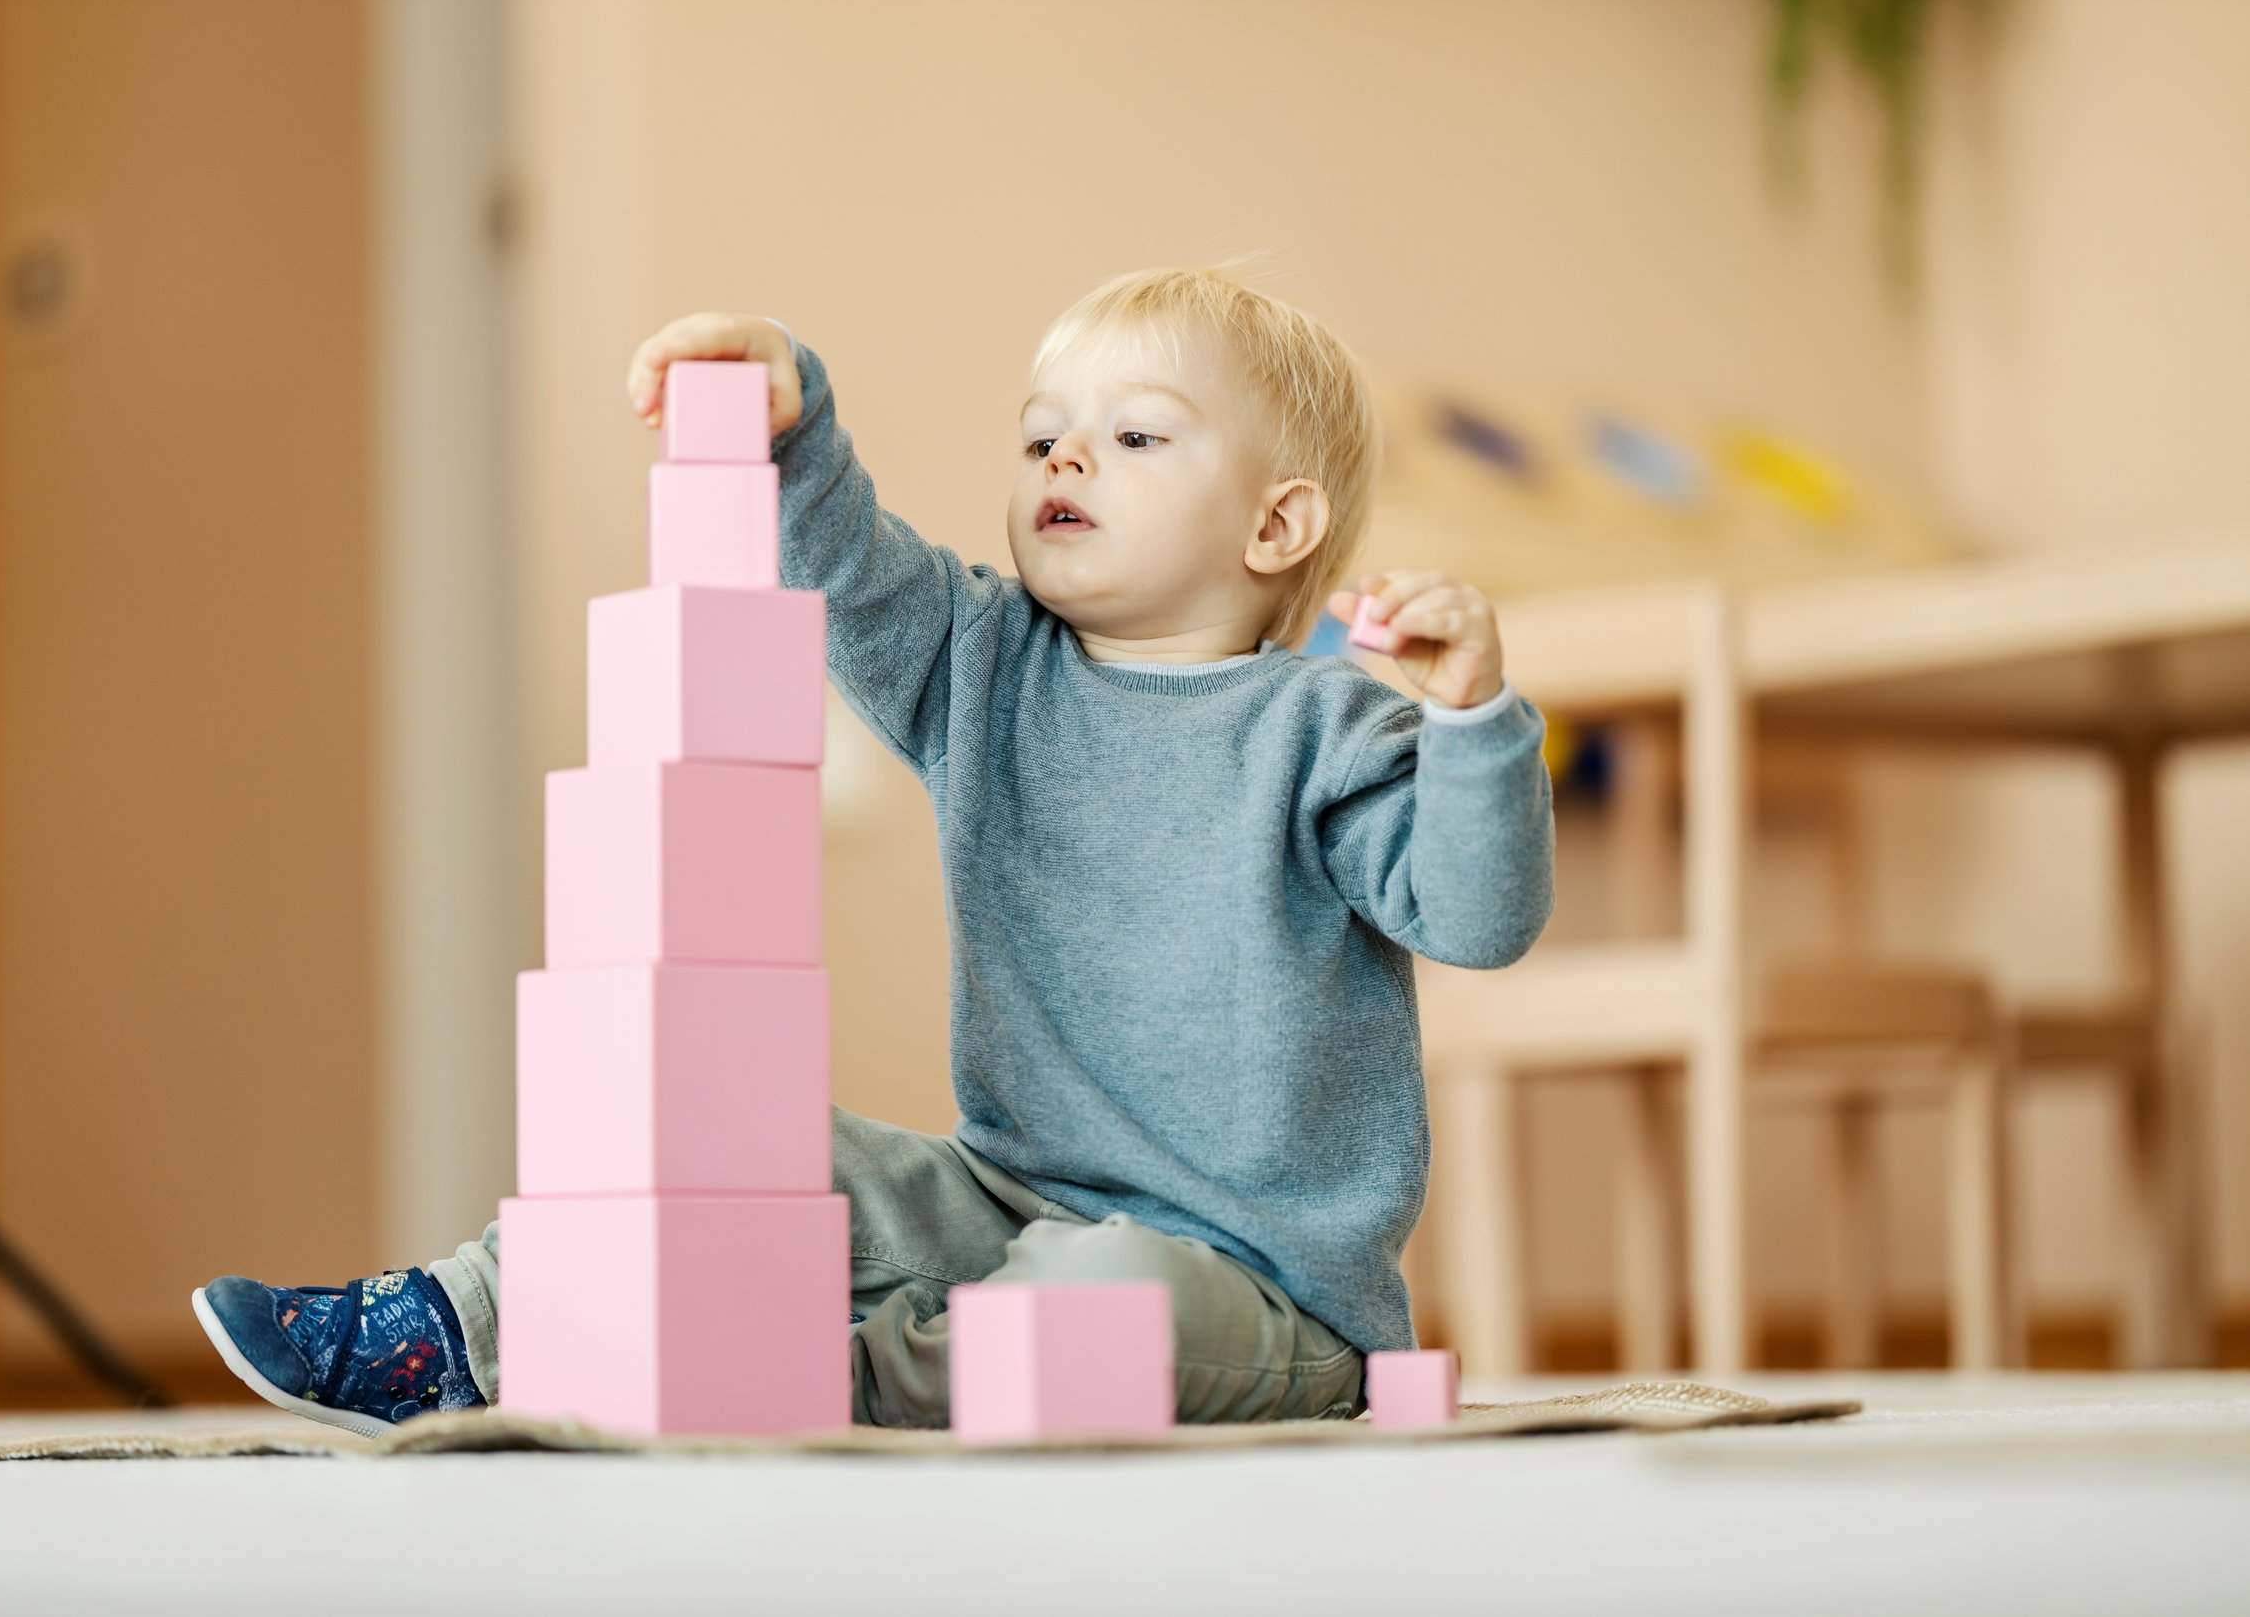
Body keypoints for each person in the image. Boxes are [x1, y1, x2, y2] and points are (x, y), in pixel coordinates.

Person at [193, 267, 1554, 1434]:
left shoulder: (1331, 726)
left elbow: (1480, 918)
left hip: (1259, 1286)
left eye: (1134, 437)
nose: (1064, 461)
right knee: (735, 1136)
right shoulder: (984, 664)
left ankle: (815, 1377)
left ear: (1275, 526)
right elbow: (852, 573)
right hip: (1002, 1196)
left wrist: (1477, 725)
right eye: (1041, 440)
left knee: (1099, 1298)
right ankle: (454, 1329)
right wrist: (794, 419)